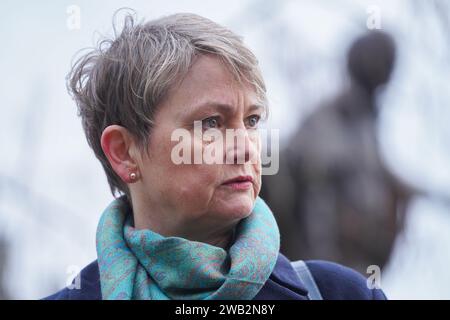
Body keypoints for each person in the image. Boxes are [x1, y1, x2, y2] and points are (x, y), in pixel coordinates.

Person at [45, 12, 386, 300]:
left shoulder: (340, 293)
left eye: (251, 121)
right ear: (124, 152)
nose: (246, 149)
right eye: (211, 123)